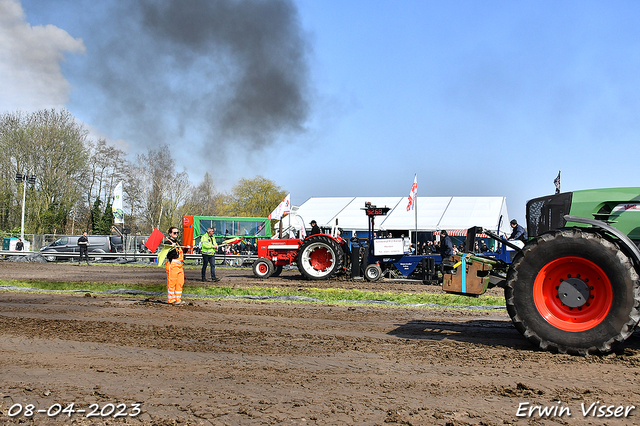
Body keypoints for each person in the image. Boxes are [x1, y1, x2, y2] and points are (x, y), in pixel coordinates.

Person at [165, 226, 185, 305]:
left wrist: (186, 249)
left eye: (177, 233)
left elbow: (181, 252)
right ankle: (171, 300)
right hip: (172, 265)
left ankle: (178, 299)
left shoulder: (177, 242)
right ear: (170, 234)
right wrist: (172, 246)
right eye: (174, 233)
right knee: (172, 282)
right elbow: (169, 253)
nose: (176, 234)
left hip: (180, 265)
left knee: (180, 282)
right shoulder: (168, 242)